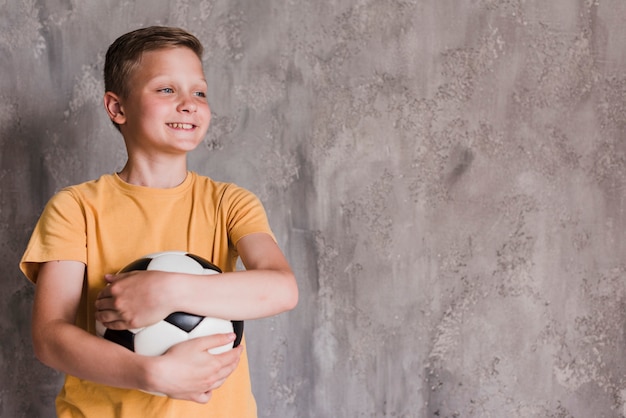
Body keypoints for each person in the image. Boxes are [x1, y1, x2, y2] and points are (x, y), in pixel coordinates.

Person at [20, 26, 298, 418]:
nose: (188, 103)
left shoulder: (229, 203)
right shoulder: (76, 208)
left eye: (199, 92)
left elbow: (282, 289)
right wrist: (151, 374)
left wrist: (166, 290)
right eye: (166, 89)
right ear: (118, 108)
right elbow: (50, 337)